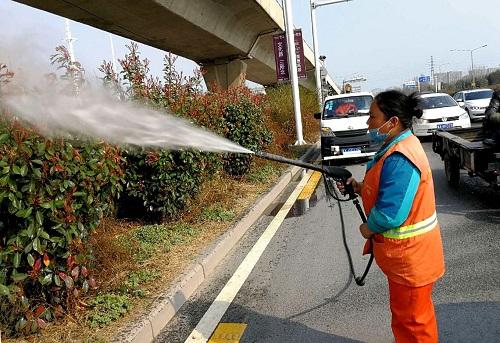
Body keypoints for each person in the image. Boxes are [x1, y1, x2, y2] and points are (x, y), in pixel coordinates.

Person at [338, 90, 445, 342]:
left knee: (413, 324)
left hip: (411, 260)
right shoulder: (399, 145)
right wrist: (359, 186)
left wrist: (367, 228)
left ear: (393, 121)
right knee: (410, 318)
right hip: (408, 259)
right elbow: (387, 189)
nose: (368, 123)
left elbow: (390, 214)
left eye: (373, 117)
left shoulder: (401, 156)